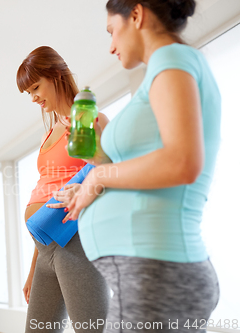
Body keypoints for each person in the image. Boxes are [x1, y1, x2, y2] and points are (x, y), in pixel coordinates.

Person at [59, 1, 221, 331]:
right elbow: (151, 166)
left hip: (157, 271)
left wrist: (98, 178)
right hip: (155, 272)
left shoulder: (170, 59)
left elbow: (182, 162)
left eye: (112, 31)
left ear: (136, 14)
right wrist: (97, 170)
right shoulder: (171, 65)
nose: (111, 46)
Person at [16, 46, 110, 333]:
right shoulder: (52, 129)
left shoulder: (92, 121)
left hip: (74, 241)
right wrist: (34, 266)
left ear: (56, 75)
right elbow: (46, 193)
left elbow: (110, 175)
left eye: (35, 87)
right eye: (28, 92)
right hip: (45, 247)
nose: (33, 98)